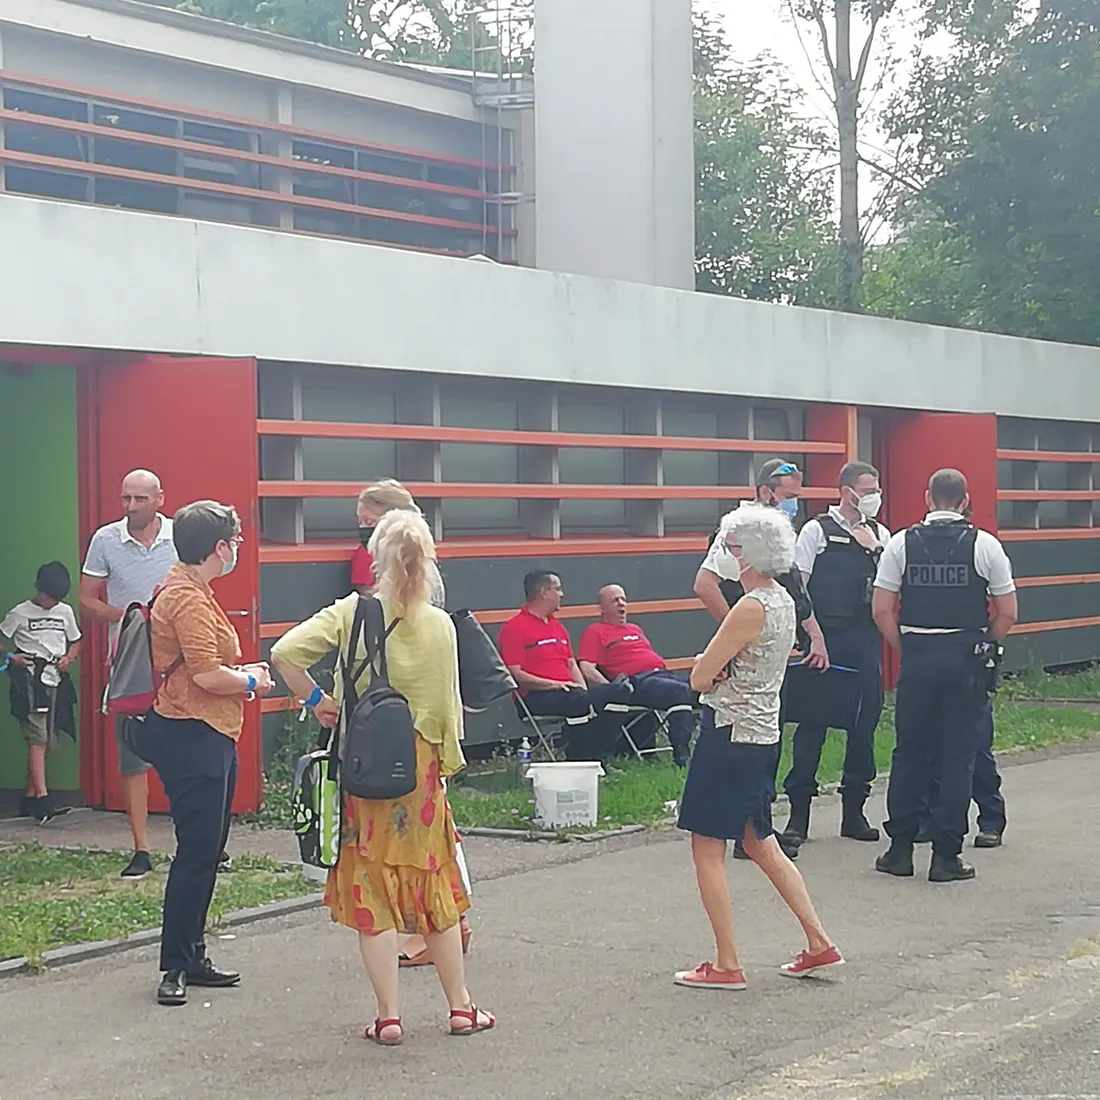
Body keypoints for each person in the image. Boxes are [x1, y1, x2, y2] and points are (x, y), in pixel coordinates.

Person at [271, 509, 494, 1044]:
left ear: (376, 557)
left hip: (365, 769)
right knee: (433, 881)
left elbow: (283, 653)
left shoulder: (353, 612)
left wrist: (320, 700)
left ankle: (389, 1017)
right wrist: (442, 767)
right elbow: (446, 709)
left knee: (372, 885)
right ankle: (460, 1008)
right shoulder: (442, 624)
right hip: (419, 772)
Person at [674, 505, 843, 991]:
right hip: (763, 732)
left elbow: (700, 676)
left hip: (728, 732)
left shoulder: (749, 607)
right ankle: (817, 939)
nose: (727, 556)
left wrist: (706, 664)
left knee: (707, 846)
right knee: (758, 840)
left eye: (731, 548)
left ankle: (727, 962)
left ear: (745, 554)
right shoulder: (785, 601)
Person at [137, 500, 274, 1006]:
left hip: (208, 731)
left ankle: (191, 954)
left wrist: (243, 676)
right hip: (191, 733)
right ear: (218, 548)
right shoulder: (188, 599)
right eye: (234, 541)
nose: (237, 548)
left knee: (207, 850)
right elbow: (206, 674)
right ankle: (176, 964)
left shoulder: (191, 589)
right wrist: (253, 681)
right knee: (197, 853)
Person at [347, 477, 470, 967]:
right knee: (439, 833)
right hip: (432, 726)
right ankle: (453, 923)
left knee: (412, 845)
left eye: (365, 523)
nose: (361, 533)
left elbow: (370, 625)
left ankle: (434, 926)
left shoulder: (389, 568)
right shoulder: (428, 564)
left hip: (395, 719)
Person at [872, 469, 1017, 883]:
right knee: (958, 756)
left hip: (918, 654)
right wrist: (982, 645)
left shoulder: (900, 542)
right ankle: (946, 856)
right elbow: (1007, 612)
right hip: (965, 656)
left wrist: (906, 647)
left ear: (927, 497)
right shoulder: (984, 544)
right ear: (965, 500)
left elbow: (882, 608)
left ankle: (899, 851)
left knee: (910, 753)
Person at [693, 459, 827, 861]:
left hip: (776, 642)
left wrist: (814, 634)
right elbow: (705, 583)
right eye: (788, 497)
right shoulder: (740, 530)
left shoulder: (779, 534)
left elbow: (796, 590)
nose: (794, 505)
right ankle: (747, 831)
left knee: (770, 731)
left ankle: (756, 827)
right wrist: (736, 635)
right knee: (748, 736)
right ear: (766, 491)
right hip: (748, 651)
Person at [783, 461, 890, 844]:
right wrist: (811, 637)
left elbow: (891, 588)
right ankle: (798, 818)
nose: (875, 496)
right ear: (847, 491)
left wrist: (874, 548)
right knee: (812, 726)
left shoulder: (881, 534)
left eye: (877, 488)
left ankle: (854, 813)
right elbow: (799, 587)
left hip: (863, 638)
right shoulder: (816, 530)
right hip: (824, 637)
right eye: (868, 489)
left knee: (863, 726)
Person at [80, 469, 179, 879]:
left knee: (184, 751)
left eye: (139, 499)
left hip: (177, 660)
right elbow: (86, 599)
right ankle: (141, 847)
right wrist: (129, 617)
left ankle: (199, 840)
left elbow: (213, 574)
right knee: (133, 757)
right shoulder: (106, 539)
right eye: (125, 499)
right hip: (130, 660)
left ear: (159, 498)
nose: (131, 507)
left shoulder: (181, 535)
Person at [497, 572, 635, 762]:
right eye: (558, 589)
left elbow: (571, 664)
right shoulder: (514, 628)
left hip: (571, 692)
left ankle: (600, 757)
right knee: (576, 699)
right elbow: (515, 674)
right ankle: (580, 761)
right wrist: (554, 684)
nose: (562, 594)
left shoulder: (558, 627)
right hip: (536, 696)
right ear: (544, 592)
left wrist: (583, 689)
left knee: (619, 691)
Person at [578, 584, 695, 766]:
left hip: (662, 675)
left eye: (623, 599)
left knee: (700, 688)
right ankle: (682, 756)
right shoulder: (596, 631)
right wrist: (613, 689)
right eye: (614, 600)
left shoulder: (635, 629)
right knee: (679, 691)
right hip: (638, 681)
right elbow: (586, 667)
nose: (621, 604)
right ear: (602, 608)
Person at [1, 562, 81, 824]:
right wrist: (12, 657)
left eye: (54, 599)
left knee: (47, 740)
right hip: (29, 682)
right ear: (37, 588)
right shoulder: (20, 613)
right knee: (38, 740)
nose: (49, 603)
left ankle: (30, 796)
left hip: (55, 680)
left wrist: (69, 657)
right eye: (47, 597)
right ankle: (43, 801)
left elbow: (76, 640)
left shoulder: (65, 612)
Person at [351, 479, 444, 606]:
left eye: (369, 521)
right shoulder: (365, 556)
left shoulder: (423, 564)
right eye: (360, 521)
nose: (363, 528)